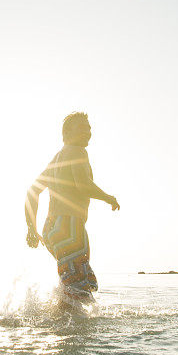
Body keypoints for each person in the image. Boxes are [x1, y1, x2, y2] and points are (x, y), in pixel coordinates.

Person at [24, 112, 119, 309]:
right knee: (79, 289)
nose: (88, 132)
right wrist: (108, 197)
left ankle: (58, 322)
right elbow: (82, 185)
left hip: (51, 229)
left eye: (89, 127)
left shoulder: (57, 158)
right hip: (70, 225)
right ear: (67, 132)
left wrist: (31, 228)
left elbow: (33, 191)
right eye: (82, 127)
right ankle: (72, 332)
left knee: (71, 284)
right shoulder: (77, 152)